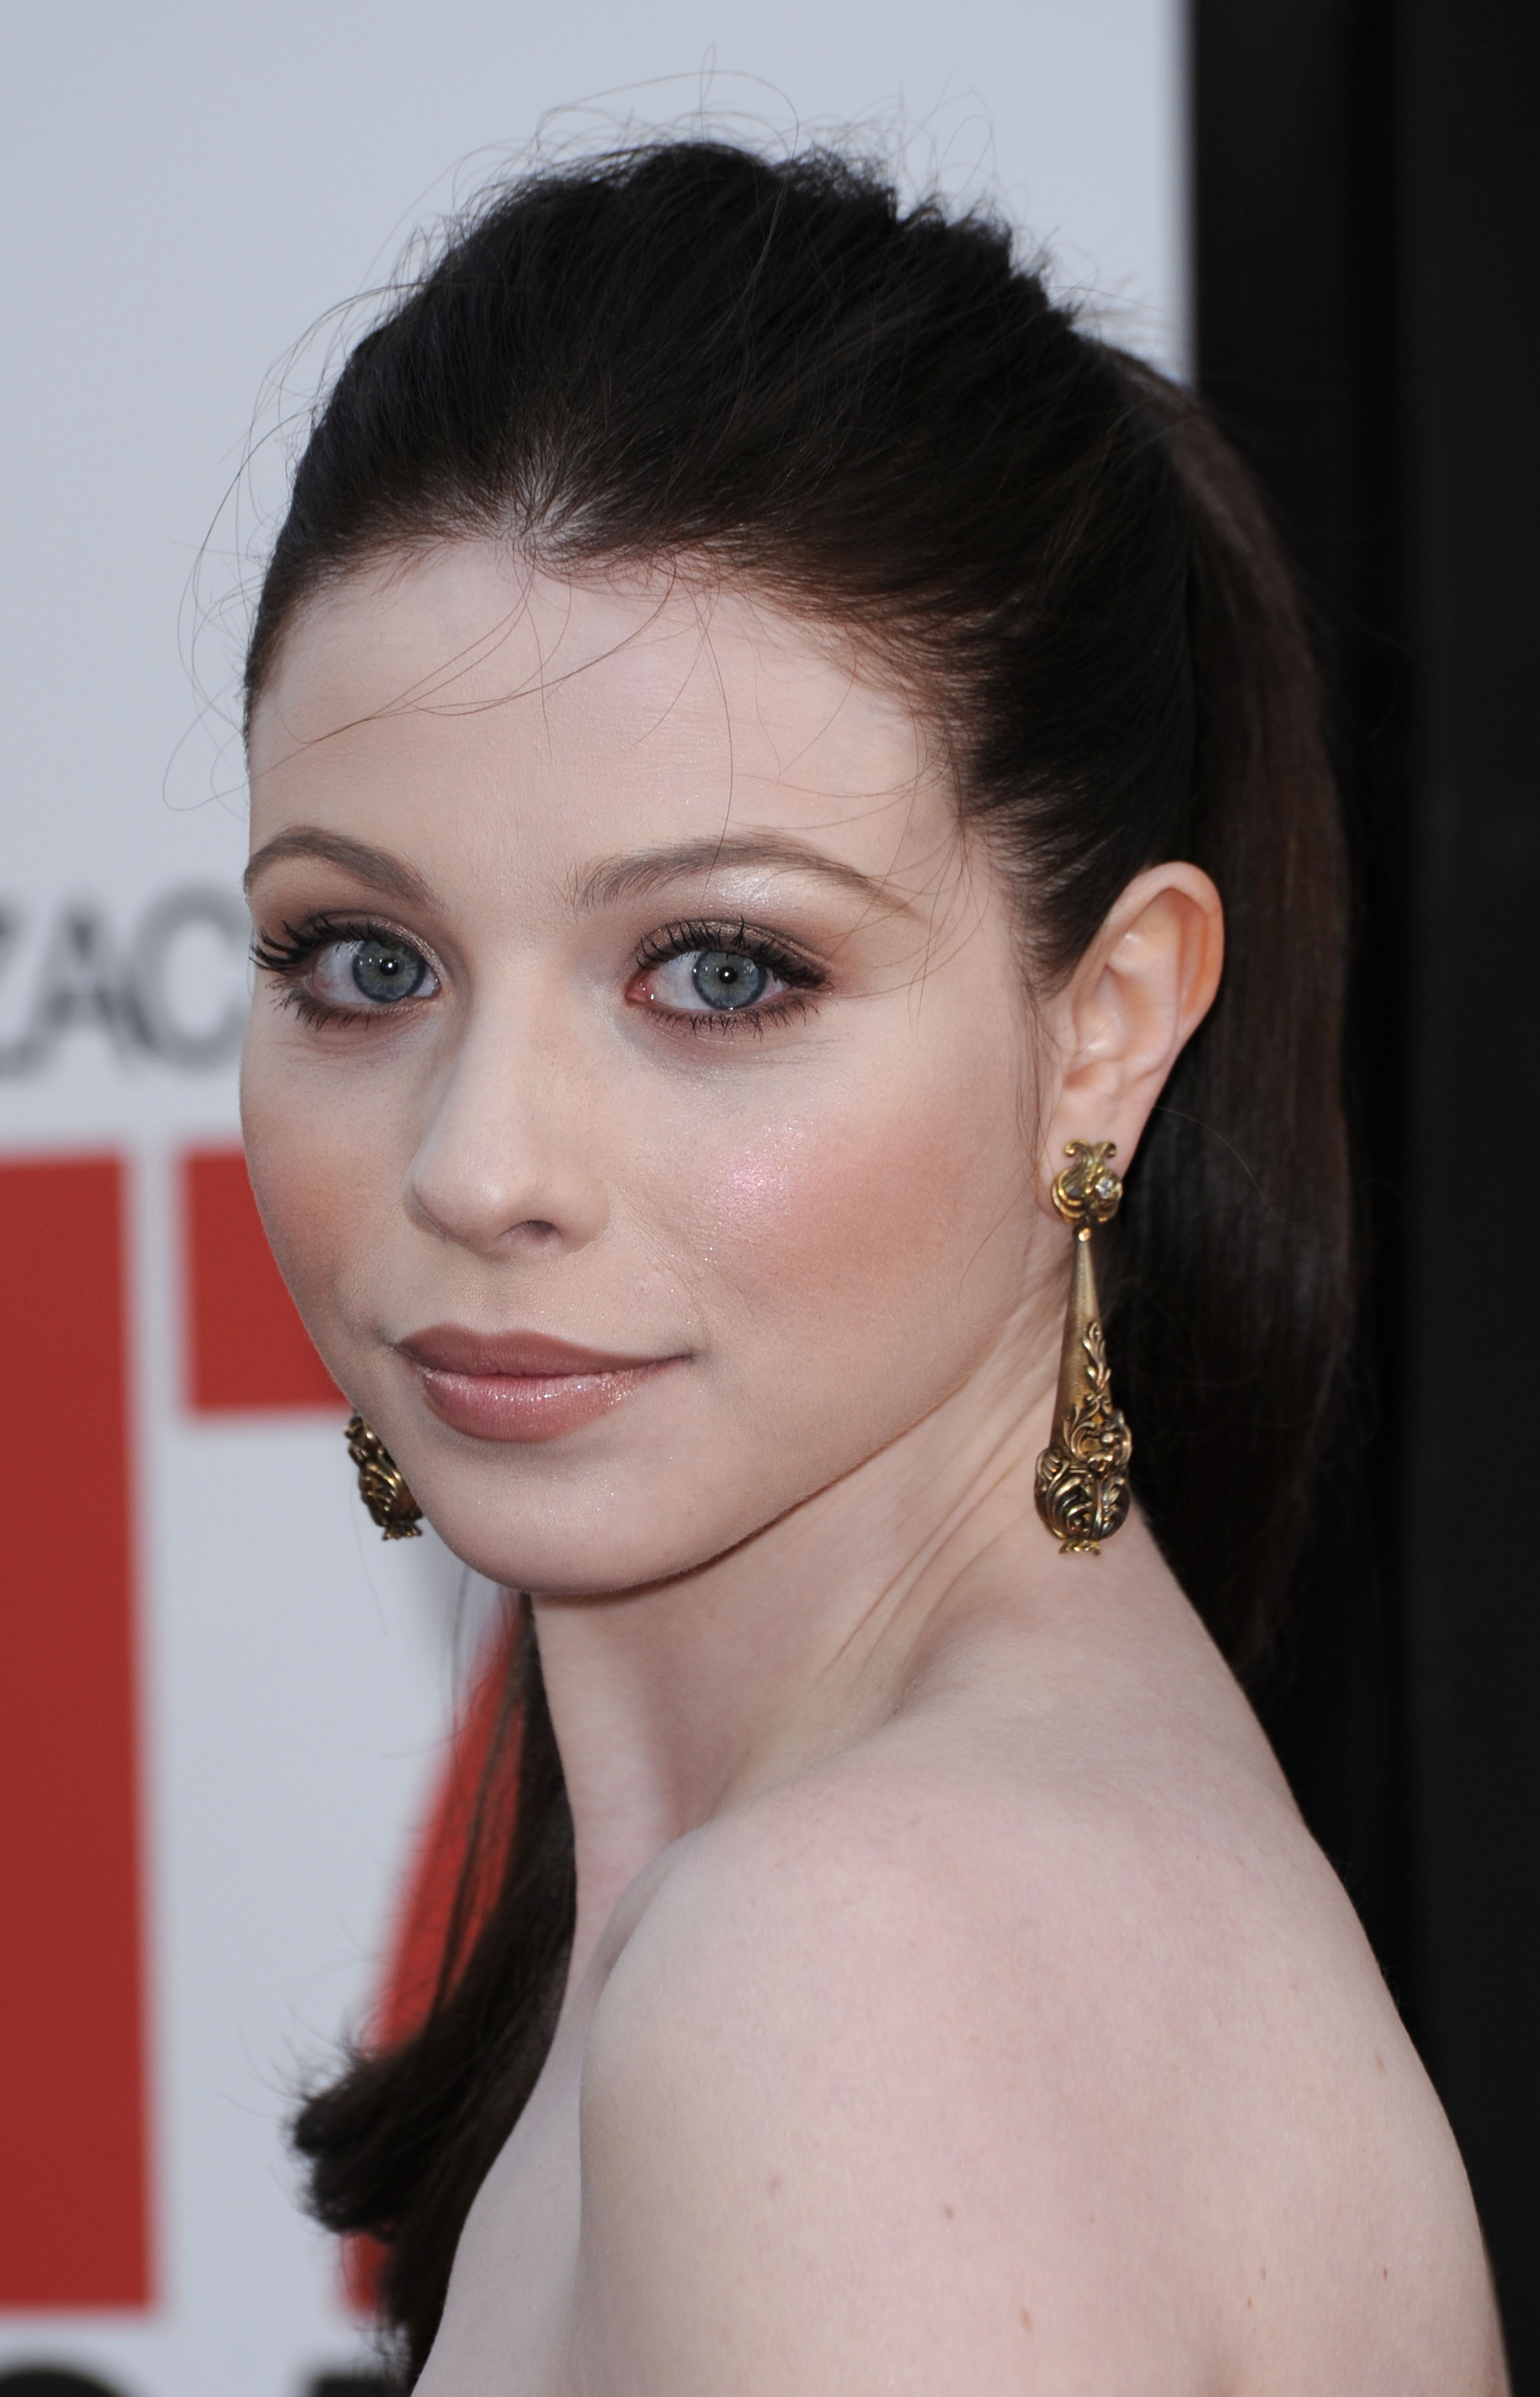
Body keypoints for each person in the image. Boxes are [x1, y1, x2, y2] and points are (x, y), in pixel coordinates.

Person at [236, 140, 1507, 2392]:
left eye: (722, 971)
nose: (479, 1165)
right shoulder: (911, 1897)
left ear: (1105, 1028)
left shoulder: (857, 1970)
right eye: (365, 960)